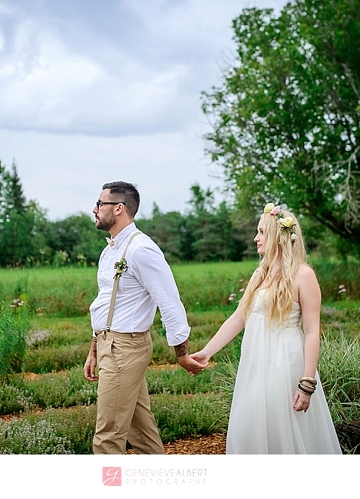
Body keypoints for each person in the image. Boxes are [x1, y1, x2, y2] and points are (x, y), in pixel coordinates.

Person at [191, 203, 342, 454]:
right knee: (247, 428)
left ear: (278, 237)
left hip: (285, 364)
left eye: (261, 232)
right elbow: (238, 318)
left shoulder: (303, 275)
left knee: (281, 430)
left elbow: (312, 331)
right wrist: (207, 352)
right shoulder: (260, 274)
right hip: (256, 365)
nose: (256, 238)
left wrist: (307, 381)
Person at [83, 181, 204, 454]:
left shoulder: (141, 249)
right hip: (110, 344)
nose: (94, 209)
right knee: (141, 430)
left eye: (100, 203)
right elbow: (105, 302)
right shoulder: (110, 251)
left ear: (118, 208)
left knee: (108, 436)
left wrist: (182, 353)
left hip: (125, 348)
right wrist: (95, 347)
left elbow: (169, 301)